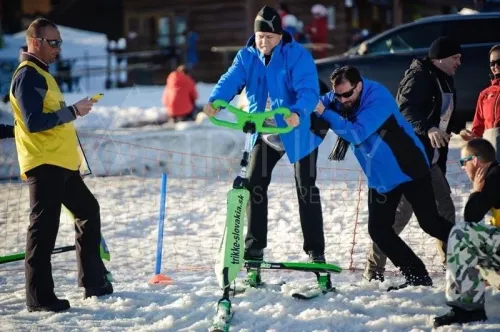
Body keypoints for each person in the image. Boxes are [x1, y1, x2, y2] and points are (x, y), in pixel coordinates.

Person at [203, 6, 326, 277]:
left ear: (280, 35)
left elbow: (308, 89)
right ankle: (255, 247)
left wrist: (297, 112)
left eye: (269, 37)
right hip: (265, 130)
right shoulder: (247, 56)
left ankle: (316, 250)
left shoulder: (297, 56)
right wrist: (215, 100)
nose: (263, 41)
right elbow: (231, 79)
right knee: (254, 184)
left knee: (305, 187)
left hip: (297, 130)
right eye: (260, 36)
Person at [315, 66, 453, 290]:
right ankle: (417, 276)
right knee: (379, 231)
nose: (341, 100)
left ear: (359, 85)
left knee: (430, 224)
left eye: (346, 94)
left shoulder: (378, 97)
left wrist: (325, 112)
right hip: (380, 176)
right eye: (337, 95)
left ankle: (476, 246)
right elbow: (320, 101)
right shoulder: (341, 95)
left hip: (409, 169)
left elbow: (356, 132)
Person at [10, 18, 112, 313]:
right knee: (43, 230)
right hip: (45, 164)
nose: (58, 48)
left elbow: (28, 121)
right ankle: (39, 298)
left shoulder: (42, 74)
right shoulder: (28, 75)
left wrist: (71, 111)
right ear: (35, 42)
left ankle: (94, 282)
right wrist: (73, 111)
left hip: (62, 164)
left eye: (60, 42)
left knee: (88, 211)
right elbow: (33, 122)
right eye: (53, 42)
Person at [363, 36, 468, 282]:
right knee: (402, 215)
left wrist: (457, 127)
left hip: (430, 159)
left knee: (444, 207)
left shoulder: (444, 77)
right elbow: (406, 109)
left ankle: (452, 262)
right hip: (410, 159)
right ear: (440, 58)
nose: (459, 63)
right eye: (455, 58)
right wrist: (428, 129)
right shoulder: (419, 76)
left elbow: (443, 113)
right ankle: (374, 267)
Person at [434, 138, 500, 327]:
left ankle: (467, 309)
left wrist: (476, 191)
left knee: (461, 234)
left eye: (464, 162)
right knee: (477, 247)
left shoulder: (494, 176)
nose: (463, 168)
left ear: (475, 161)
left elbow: (471, 217)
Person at [469, 45, 500, 161]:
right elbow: (478, 125)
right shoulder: (485, 94)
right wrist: (472, 139)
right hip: (491, 147)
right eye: (492, 63)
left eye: (499, 62)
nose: (496, 66)